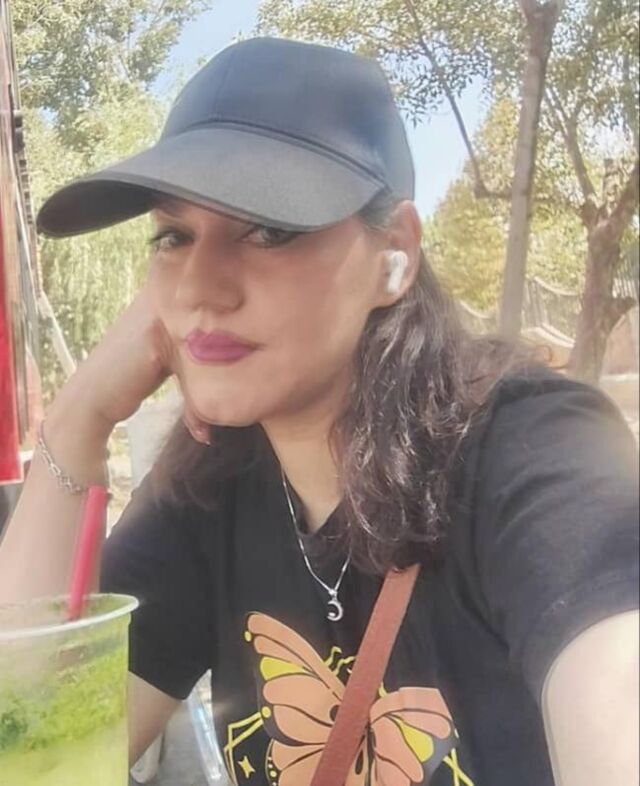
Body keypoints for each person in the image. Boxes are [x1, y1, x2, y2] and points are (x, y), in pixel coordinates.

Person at [0, 37, 638, 786]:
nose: (199, 287)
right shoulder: (210, 491)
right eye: (174, 236)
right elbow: (32, 745)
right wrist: (79, 417)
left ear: (394, 255)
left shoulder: (530, 448)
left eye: (268, 229)